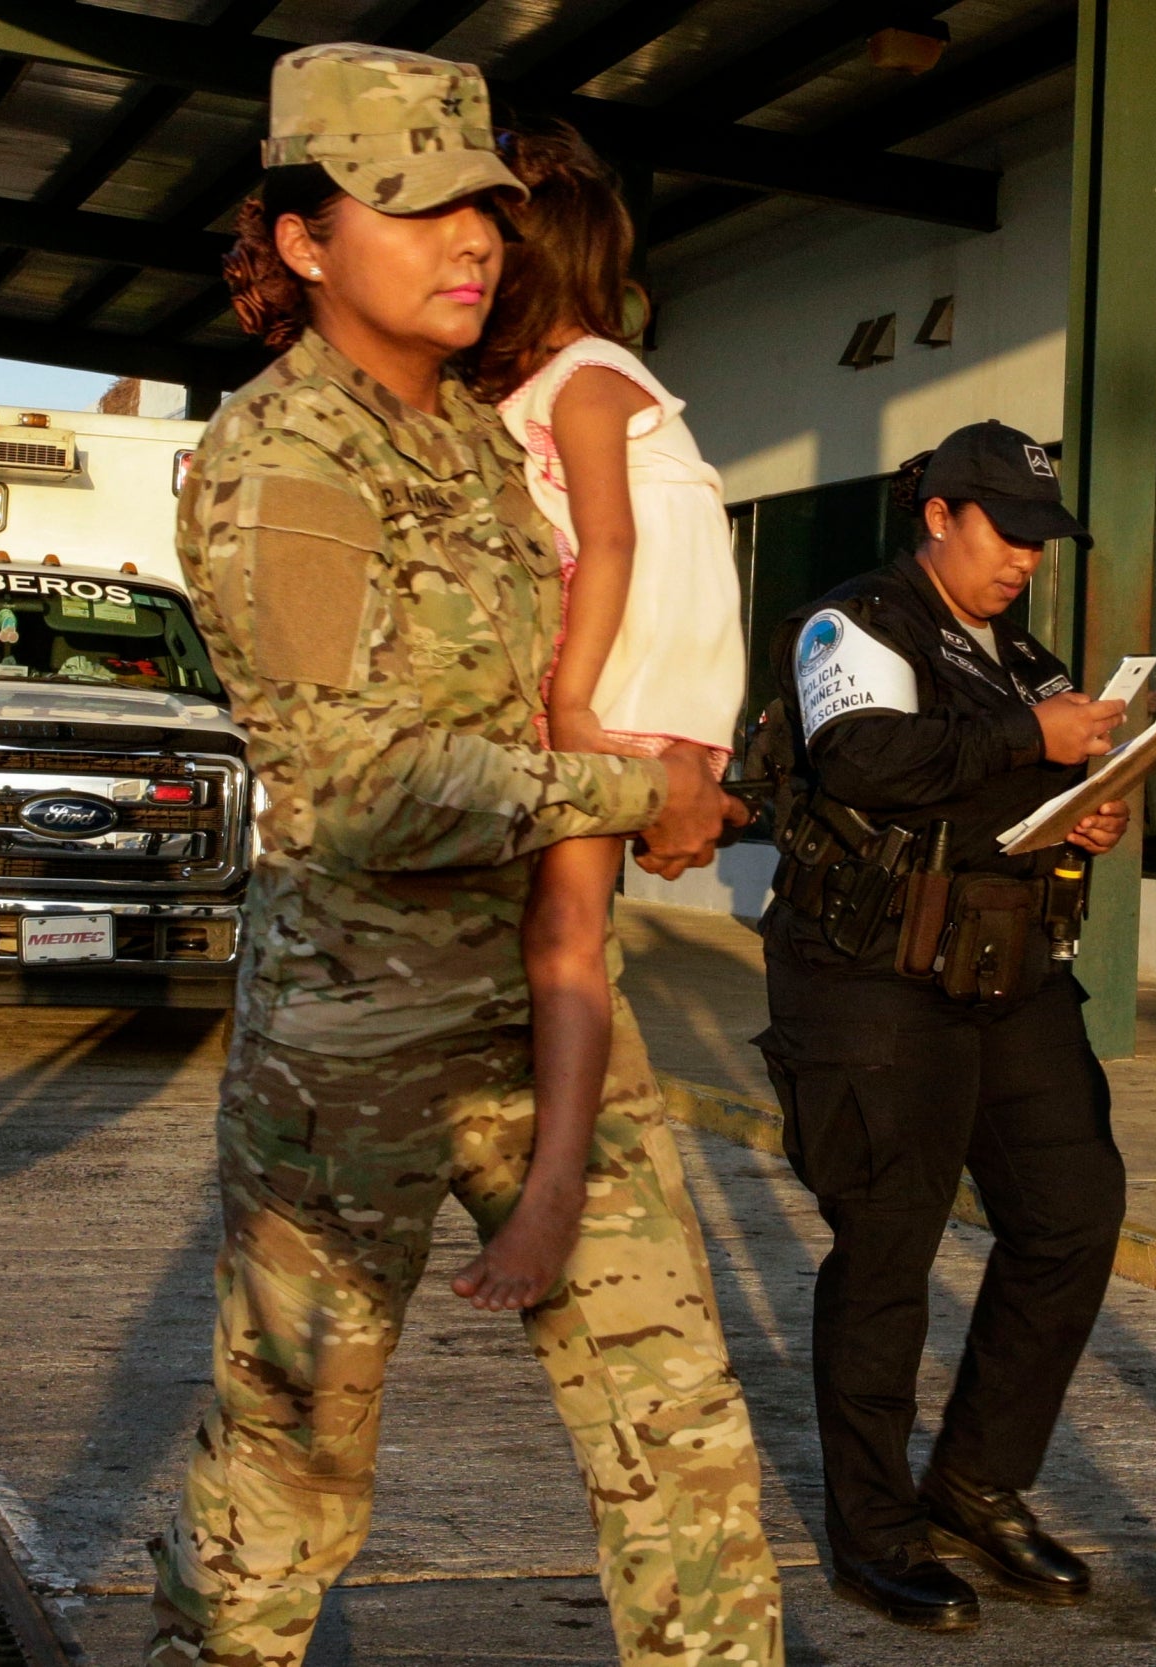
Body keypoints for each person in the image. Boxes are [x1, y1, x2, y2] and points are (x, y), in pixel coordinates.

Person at [150, 44, 779, 1667]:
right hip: (354, 1032)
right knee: (301, 1453)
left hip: (530, 986)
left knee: (677, 1416)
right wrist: (630, 797)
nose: (471, 237)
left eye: (484, 204)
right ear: (302, 239)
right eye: (411, 202)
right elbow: (360, 781)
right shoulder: (288, 460)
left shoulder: (482, 443)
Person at [752, 421, 1133, 1632]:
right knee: (887, 1254)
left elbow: (1013, 784)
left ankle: (975, 1479)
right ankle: (874, 1532)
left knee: (1071, 1211)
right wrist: (1035, 743)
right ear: (937, 517)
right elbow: (863, 757)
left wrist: (1079, 811)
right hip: (870, 973)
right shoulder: (853, 623)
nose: (1024, 556)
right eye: (1005, 532)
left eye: (1039, 539)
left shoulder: (1024, 654)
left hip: (1004, 962)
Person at [449, 124, 746, 1310]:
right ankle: (555, 1167)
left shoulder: (581, 383)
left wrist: (571, 701)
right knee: (565, 936)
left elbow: (611, 542)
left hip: (622, 681)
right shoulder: (589, 381)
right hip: (659, 683)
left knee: (563, 941)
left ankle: (555, 1190)